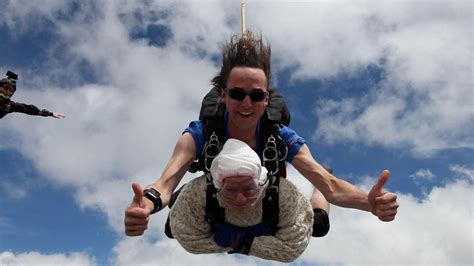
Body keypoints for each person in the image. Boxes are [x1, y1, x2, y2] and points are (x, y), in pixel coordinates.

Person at [124, 31, 398, 238]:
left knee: (319, 227)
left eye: (256, 96)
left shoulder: (279, 136)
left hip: (264, 194)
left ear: (266, 100)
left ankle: (313, 202)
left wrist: (368, 203)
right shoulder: (200, 133)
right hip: (222, 192)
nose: (246, 104)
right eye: (237, 94)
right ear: (223, 96)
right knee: (173, 223)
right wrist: (146, 205)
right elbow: (165, 184)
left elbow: (331, 185)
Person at [164, 138, 314, 262]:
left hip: (269, 217)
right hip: (202, 204)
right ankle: (178, 196)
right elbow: (190, 240)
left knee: (319, 225)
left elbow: (292, 248)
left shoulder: (285, 194)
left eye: (248, 189)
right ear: (218, 187)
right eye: (230, 190)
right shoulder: (197, 193)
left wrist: (244, 243)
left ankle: (318, 191)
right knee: (172, 229)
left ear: (261, 184)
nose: (240, 199)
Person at [0, 71, 65, 119]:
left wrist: (50, 113)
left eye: (11, 90)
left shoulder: (8, 105)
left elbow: (26, 108)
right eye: (6, 88)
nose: (8, 91)